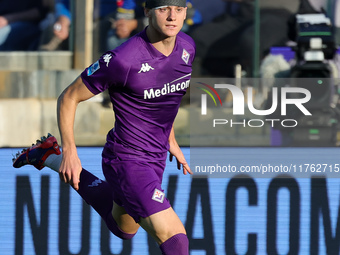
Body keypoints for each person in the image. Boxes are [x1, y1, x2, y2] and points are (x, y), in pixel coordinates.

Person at [13, 0, 194, 254]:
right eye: (163, 8)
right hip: (128, 161)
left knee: (124, 228)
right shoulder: (123, 59)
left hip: (156, 158)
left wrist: (170, 138)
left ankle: (49, 156)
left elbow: (165, 98)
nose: (172, 16)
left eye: (178, 8)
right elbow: (68, 97)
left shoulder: (187, 47)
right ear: (147, 11)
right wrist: (72, 152)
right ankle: (60, 155)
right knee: (175, 239)